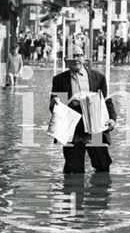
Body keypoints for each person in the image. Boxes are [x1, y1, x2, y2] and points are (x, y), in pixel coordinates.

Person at [49, 45, 117, 174]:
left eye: (79, 55)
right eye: (72, 56)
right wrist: (54, 104)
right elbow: (54, 107)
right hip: (72, 126)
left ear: (84, 58)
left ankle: (99, 191)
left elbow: (107, 101)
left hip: (95, 123)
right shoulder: (59, 80)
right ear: (65, 60)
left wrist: (112, 119)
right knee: (73, 169)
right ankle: (74, 191)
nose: (76, 59)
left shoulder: (98, 77)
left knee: (102, 165)